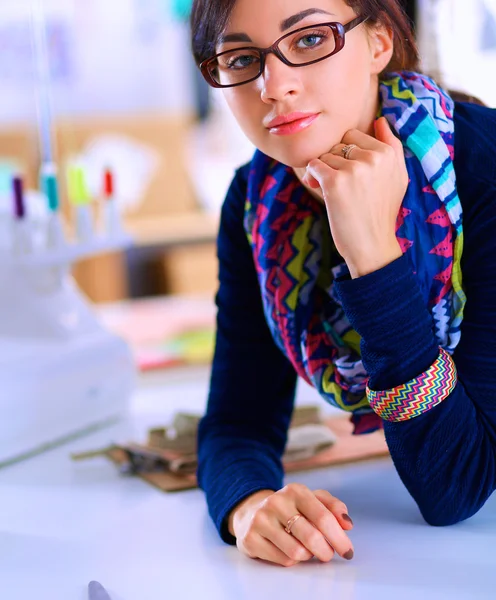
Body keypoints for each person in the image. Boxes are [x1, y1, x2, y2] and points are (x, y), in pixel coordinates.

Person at [189, 0, 496, 567]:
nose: (273, 86)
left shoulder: (486, 168)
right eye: (240, 57)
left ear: (379, 43)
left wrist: (374, 257)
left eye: (308, 41)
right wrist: (251, 506)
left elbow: (457, 485)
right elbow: (238, 419)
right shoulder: (255, 205)